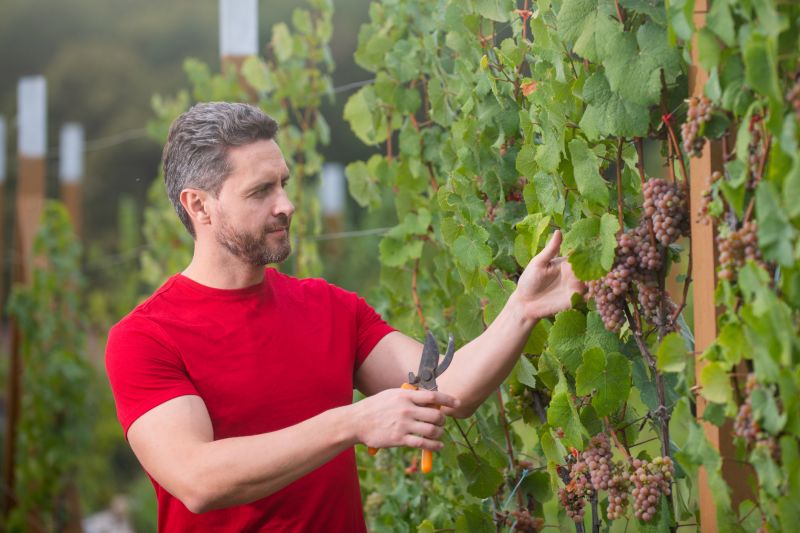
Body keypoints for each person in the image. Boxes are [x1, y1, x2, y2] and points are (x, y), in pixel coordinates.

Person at [105, 102, 584, 532]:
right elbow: (198, 479)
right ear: (199, 206)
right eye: (260, 192)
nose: (286, 205)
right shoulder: (146, 337)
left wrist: (523, 309)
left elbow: (446, 387)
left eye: (284, 184)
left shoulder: (329, 307)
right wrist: (352, 422)